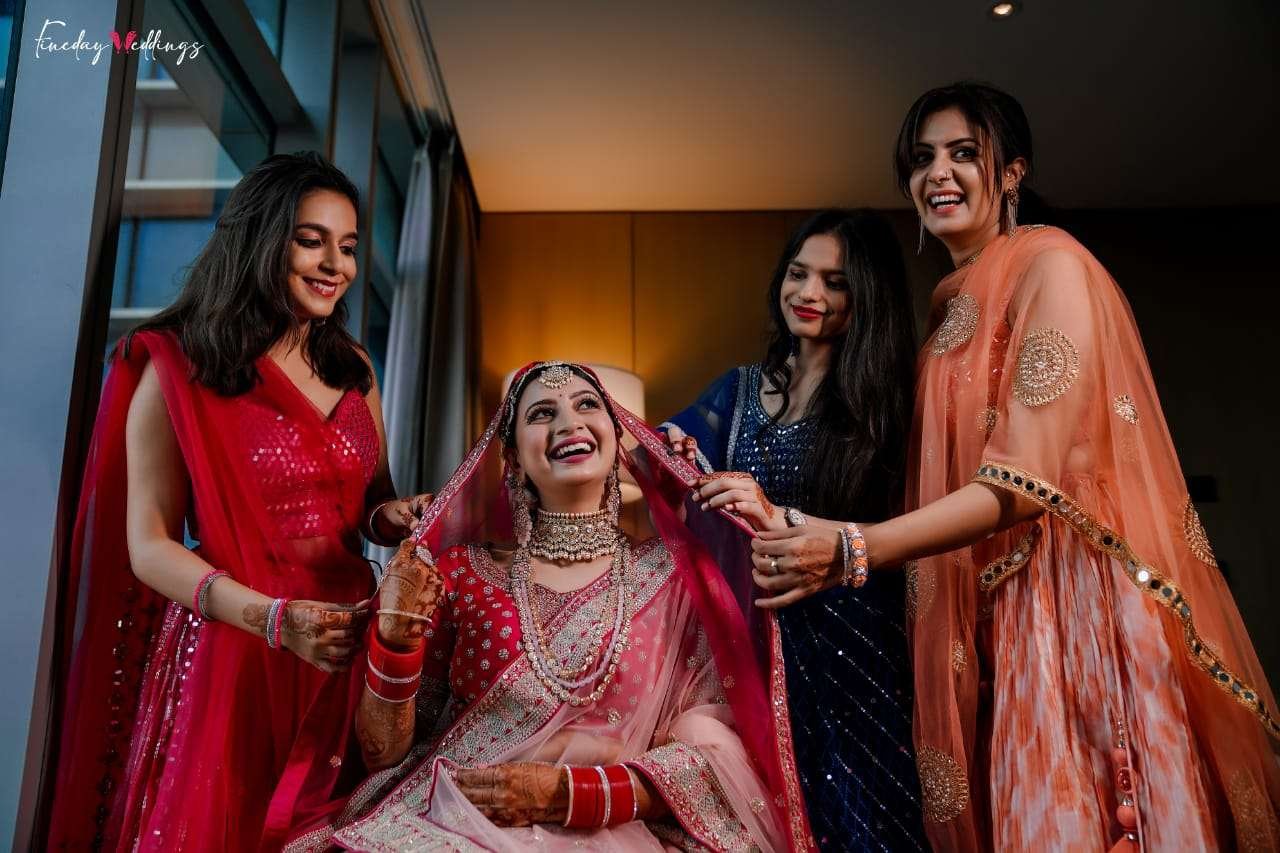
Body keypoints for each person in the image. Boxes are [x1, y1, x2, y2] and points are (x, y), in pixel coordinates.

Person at [749, 82, 1280, 850]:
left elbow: (1025, 484)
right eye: (922, 158)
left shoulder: (1051, 264)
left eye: (964, 153)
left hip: (1074, 598)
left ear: (1012, 173)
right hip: (997, 610)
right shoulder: (946, 310)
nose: (938, 172)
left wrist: (854, 546)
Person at [49, 152, 430, 851]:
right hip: (237, 643)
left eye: (348, 247)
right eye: (311, 240)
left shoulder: (353, 366)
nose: (336, 265)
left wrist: (397, 515)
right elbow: (148, 546)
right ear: (261, 239)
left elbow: (370, 506)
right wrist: (275, 620)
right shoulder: (177, 364)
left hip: (345, 641)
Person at [285, 362, 815, 852]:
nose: (569, 422)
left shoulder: (669, 578)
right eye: (542, 413)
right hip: (457, 820)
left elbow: (714, 751)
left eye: (588, 405)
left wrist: (572, 795)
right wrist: (395, 639)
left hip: (611, 826)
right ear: (514, 459)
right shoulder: (460, 574)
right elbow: (384, 754)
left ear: (618, 439)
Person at [662, 209, 927, 850]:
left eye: (835, 282)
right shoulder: (738, 391)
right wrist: (657, 450)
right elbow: (661, 461)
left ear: (866, 298)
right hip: (759, 638)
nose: (808, 293)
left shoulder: (890, 402)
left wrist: (782, 515)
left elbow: (914, 535)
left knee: (866, 820)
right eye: (798, 273)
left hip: (857, 645)